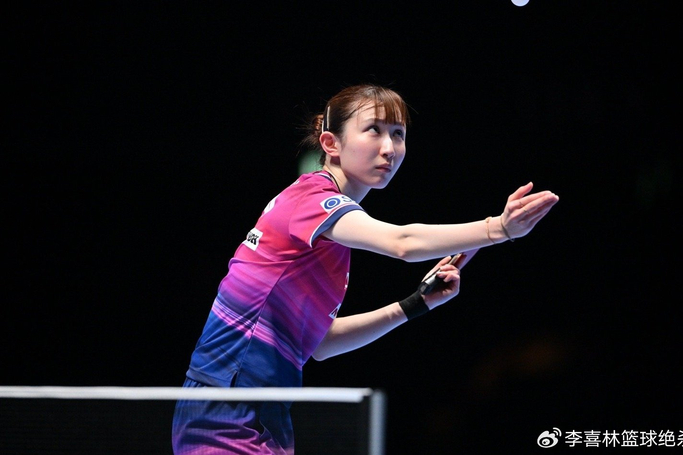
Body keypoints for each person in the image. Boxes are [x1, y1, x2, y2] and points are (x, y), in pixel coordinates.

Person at [171, 84, 559, 454]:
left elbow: (320, 344)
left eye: (398, 134)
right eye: (373, 130)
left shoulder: (327, 240)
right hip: (225, 408)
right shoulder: (311, 200)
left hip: (266, 414)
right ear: (331, 143)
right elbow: (402, 243)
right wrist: (498, 229)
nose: (389, 148)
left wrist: (414, 304)